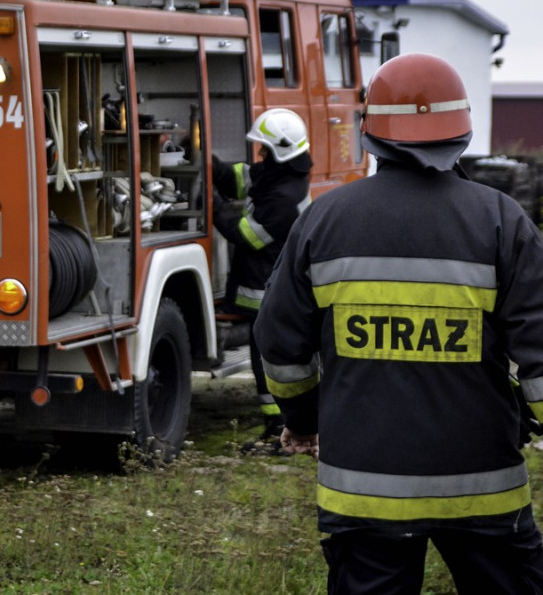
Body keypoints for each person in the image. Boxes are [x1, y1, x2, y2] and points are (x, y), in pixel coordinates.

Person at [254, 53, 543, 593]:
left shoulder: (324, 218)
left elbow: (279, 345)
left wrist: (304, 418)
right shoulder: (503, 222)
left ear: (371, 133)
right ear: (462, 130)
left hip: (363, 493)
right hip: (485, 491)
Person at [211, 108, 311, 447]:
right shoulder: (278, 176)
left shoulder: (286, 198)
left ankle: (279, 428)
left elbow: (244, 234)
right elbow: (241, 177)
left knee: (265, 360)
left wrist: (213, 206)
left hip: (264, 291)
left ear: (280, 151)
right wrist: (210, 165)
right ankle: (276, 426)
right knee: (262, 358)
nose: (260, 155)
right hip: (260, 286)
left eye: (264, 149)